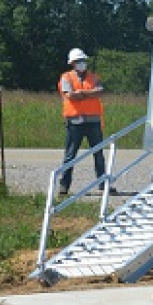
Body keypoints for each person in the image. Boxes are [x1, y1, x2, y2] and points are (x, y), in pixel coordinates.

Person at [57, 48, 106, 196]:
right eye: (78, 61)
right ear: (72, 63)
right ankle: (64, 186)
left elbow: (100, 91)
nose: (81, 63)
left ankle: (103, 184)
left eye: (82, 61)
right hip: (74, 122)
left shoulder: (94, 77)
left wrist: (83, 93)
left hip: (93, 122)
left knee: (98, 154)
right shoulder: (66, 77)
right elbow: (70, 96)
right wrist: (89, 94)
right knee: (70, 156)